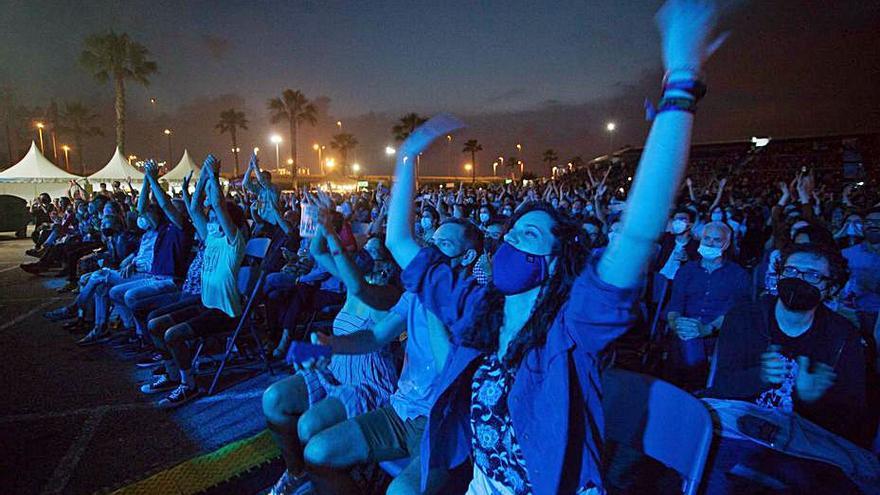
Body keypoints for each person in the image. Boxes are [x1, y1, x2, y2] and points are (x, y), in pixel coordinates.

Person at [388, 3, 723, 487]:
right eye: (509, 231)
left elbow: (637, 232)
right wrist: (405, 159)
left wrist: (682, 84)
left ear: (551, 262)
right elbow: (400, 241)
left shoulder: (571, 328)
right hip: (482, 481)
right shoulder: (478, 308)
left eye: (527, 235)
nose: (507, 241)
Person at [288, 217, 483, 495]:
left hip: (442, 423)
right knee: (318, 453)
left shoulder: (478, 304)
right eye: (433, 243)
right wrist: (330, 345)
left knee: (400, 491)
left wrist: (433, 294)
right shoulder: (413, 295)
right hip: (401, 409)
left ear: (468, 256)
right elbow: (376, 336)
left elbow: (449, 368)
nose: (433, 250)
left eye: (445, 244)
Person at [704, 242, 871, 492]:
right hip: (738, 429)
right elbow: (722, 385)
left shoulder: (843, 337)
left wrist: (812, 399)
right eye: (791, 271)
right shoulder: (744, 317)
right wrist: (759, 376)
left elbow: (852, 418)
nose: (798, 280)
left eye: (812, 275)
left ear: (831, 288)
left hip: (801, 445)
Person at [262, 196, 400, 495]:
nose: (369, 254)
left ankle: (333, 478)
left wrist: (334, 233)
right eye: (367, 249)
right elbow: (316, 250)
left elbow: (358, 287)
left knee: (309, 427)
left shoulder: (389, 296)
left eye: (377, 252)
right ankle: (297, 473)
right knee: (274, 398)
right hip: (335, 364)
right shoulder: (358, 279)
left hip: (367, 383)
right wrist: (324, 222)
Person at [140, 155, 246, 408]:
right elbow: (194, 209)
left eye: (215, 218)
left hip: (224, 312)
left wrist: (212, 177)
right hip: (204, 303)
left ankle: (189, 384)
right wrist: (200, 183)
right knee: (154, 322)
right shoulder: (212, 239)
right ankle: (172, 373)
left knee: (172, 334)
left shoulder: (234, 242)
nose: (209, 220)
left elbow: (218, 206)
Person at [666, 221, 751, 390]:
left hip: (717, 335)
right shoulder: (687, 270)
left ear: (726, 244)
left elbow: (732, 312)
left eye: (717, 240)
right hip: (682, 331)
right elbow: (674, 307)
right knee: (688, 339)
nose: (710, 243)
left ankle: (686, 391)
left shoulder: (738, 275)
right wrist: (678, 325)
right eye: (707, 239)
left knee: (691, 343)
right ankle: (695, 391)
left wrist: (706, 329)